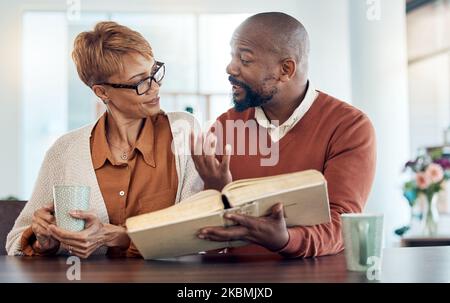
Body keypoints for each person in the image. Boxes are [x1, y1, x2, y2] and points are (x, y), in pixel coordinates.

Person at [6, 21, 202, 258]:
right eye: (140, 81)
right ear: (102, 92)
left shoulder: (183, 130)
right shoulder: (66, 151)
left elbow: (195, 232)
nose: (155, 87)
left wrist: (118, 236)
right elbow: (16, 241)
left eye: (154, 72)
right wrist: (43, 241)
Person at [191, 12, 376, 258]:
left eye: (245, 60)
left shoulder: (348, 126)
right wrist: (216, 192)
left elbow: (342, 224)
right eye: (232, 55)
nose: (230, 67)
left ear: (285, 69)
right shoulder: (225, 125)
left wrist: (286, 240)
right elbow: (204, 234)